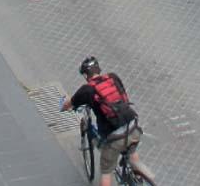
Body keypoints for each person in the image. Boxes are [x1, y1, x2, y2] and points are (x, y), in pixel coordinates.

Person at [62, 57, 154, 186]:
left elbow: (69, 104)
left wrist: (63, 107)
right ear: (98, 69)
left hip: (115, 138)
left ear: (85, 75)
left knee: (106, 171)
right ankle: (138, 177)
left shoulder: (87, 90)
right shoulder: (113, 77)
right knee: (131, 151)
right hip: (133, 126)